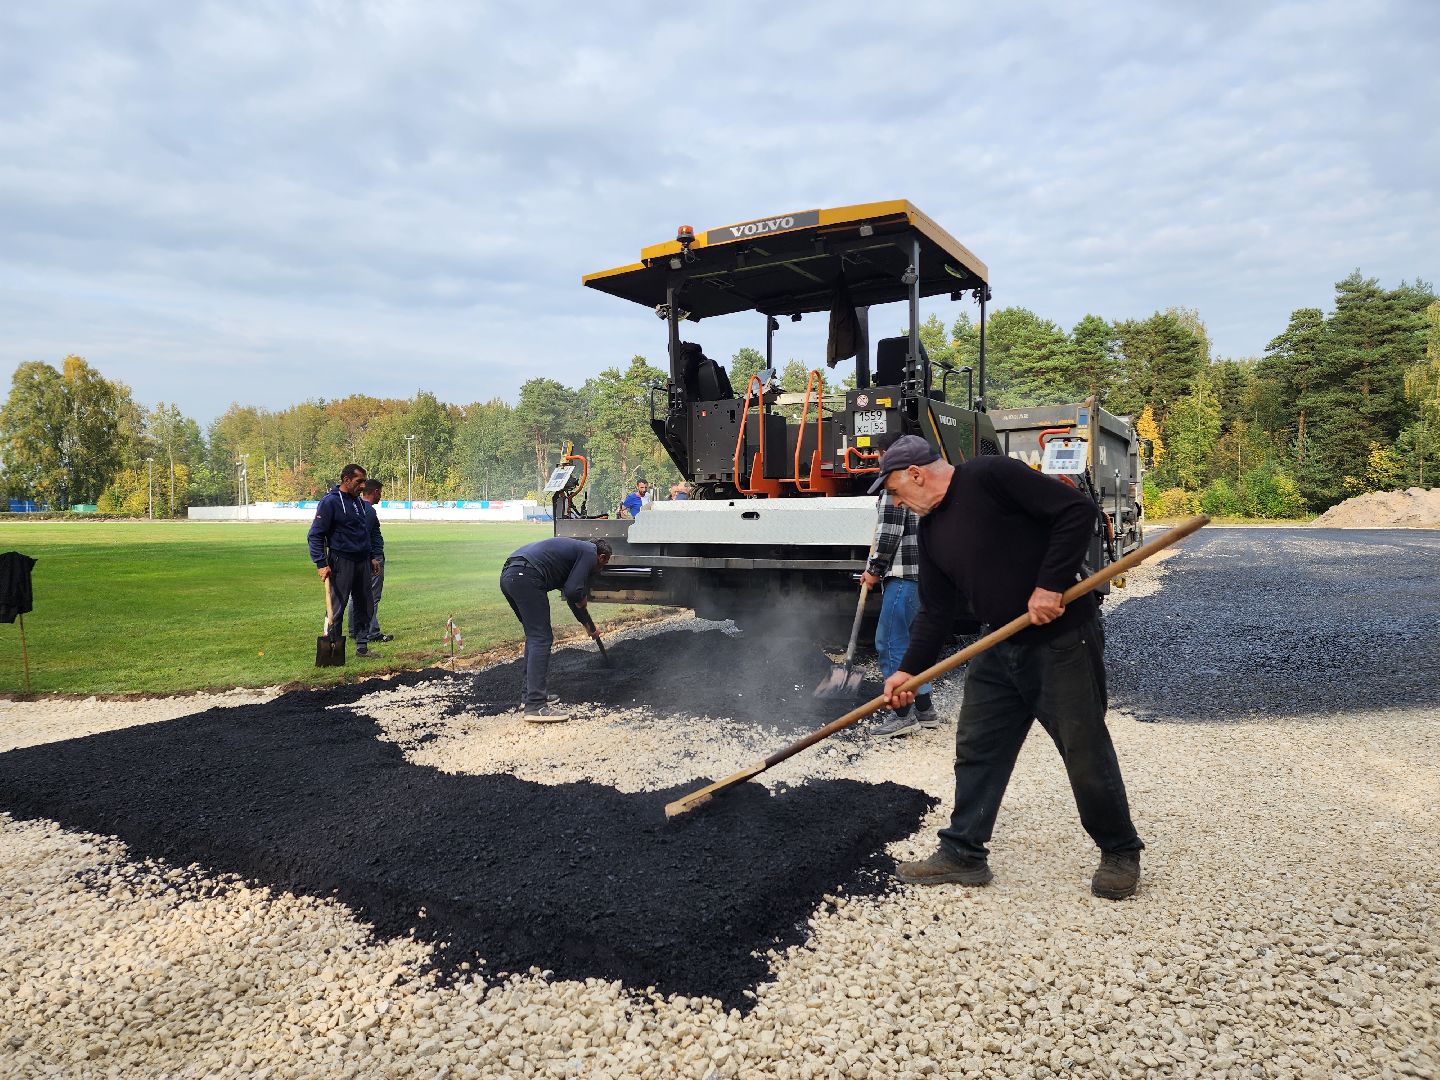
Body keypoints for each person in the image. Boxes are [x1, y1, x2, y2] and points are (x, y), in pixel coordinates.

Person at [873, 435, 1144, 900]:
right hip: (998, 644)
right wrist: (909, 671)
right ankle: (963, 853)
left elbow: (1076, 512)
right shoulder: (932, 530)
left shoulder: (990, 475)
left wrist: (1050, 584)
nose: (896, 502)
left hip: (1061, 641)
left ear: (916, 474)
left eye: (895, 491)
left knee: (1083, 747)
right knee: (977, 747)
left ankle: (1120, 851)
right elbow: (934, 611)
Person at [500, 536, 611, 723]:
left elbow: (571, 594)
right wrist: (580, 596)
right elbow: (574, 592)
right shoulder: (589, 552)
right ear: (601, 557)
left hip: (510, 576)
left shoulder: (573, 554)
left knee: (534, 637)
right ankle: (535, 706)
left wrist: (588, 627)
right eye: (603, 565)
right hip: (526, 576)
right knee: (541, 638)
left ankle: (529, 696)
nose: (600, 569)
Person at [861, 491, 936, 737]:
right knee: (912, 643)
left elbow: (888, 533)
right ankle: (924, 709)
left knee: (890, 641)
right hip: (924, 576)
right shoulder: (920, 485)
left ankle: (902, 714)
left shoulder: (894, 489)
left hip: (904, 575)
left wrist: (874, 569)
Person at [308, 464, 382, 657]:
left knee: (364, 605)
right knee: (337, 607)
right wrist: (321, 563)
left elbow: (363, 532)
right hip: (341, 561)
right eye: (359, 481)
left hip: (362, 561)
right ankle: (332, 648)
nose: (363, 486)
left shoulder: (359, 503)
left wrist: (371, 557)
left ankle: (362, 647)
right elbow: (315, 535)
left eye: (364, 481)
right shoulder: (330, 502)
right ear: (346, 480)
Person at [348, 479, 393, 644]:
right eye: (380, 492)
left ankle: (355, 630)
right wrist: (372, 557)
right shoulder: (368, 510)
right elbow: (363, 535)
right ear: (375, 492)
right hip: (372, 558)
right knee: (371, 596)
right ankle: (371, 632)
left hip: (362, 557)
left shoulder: (357, 507)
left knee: (357, 595)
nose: (380, 496)